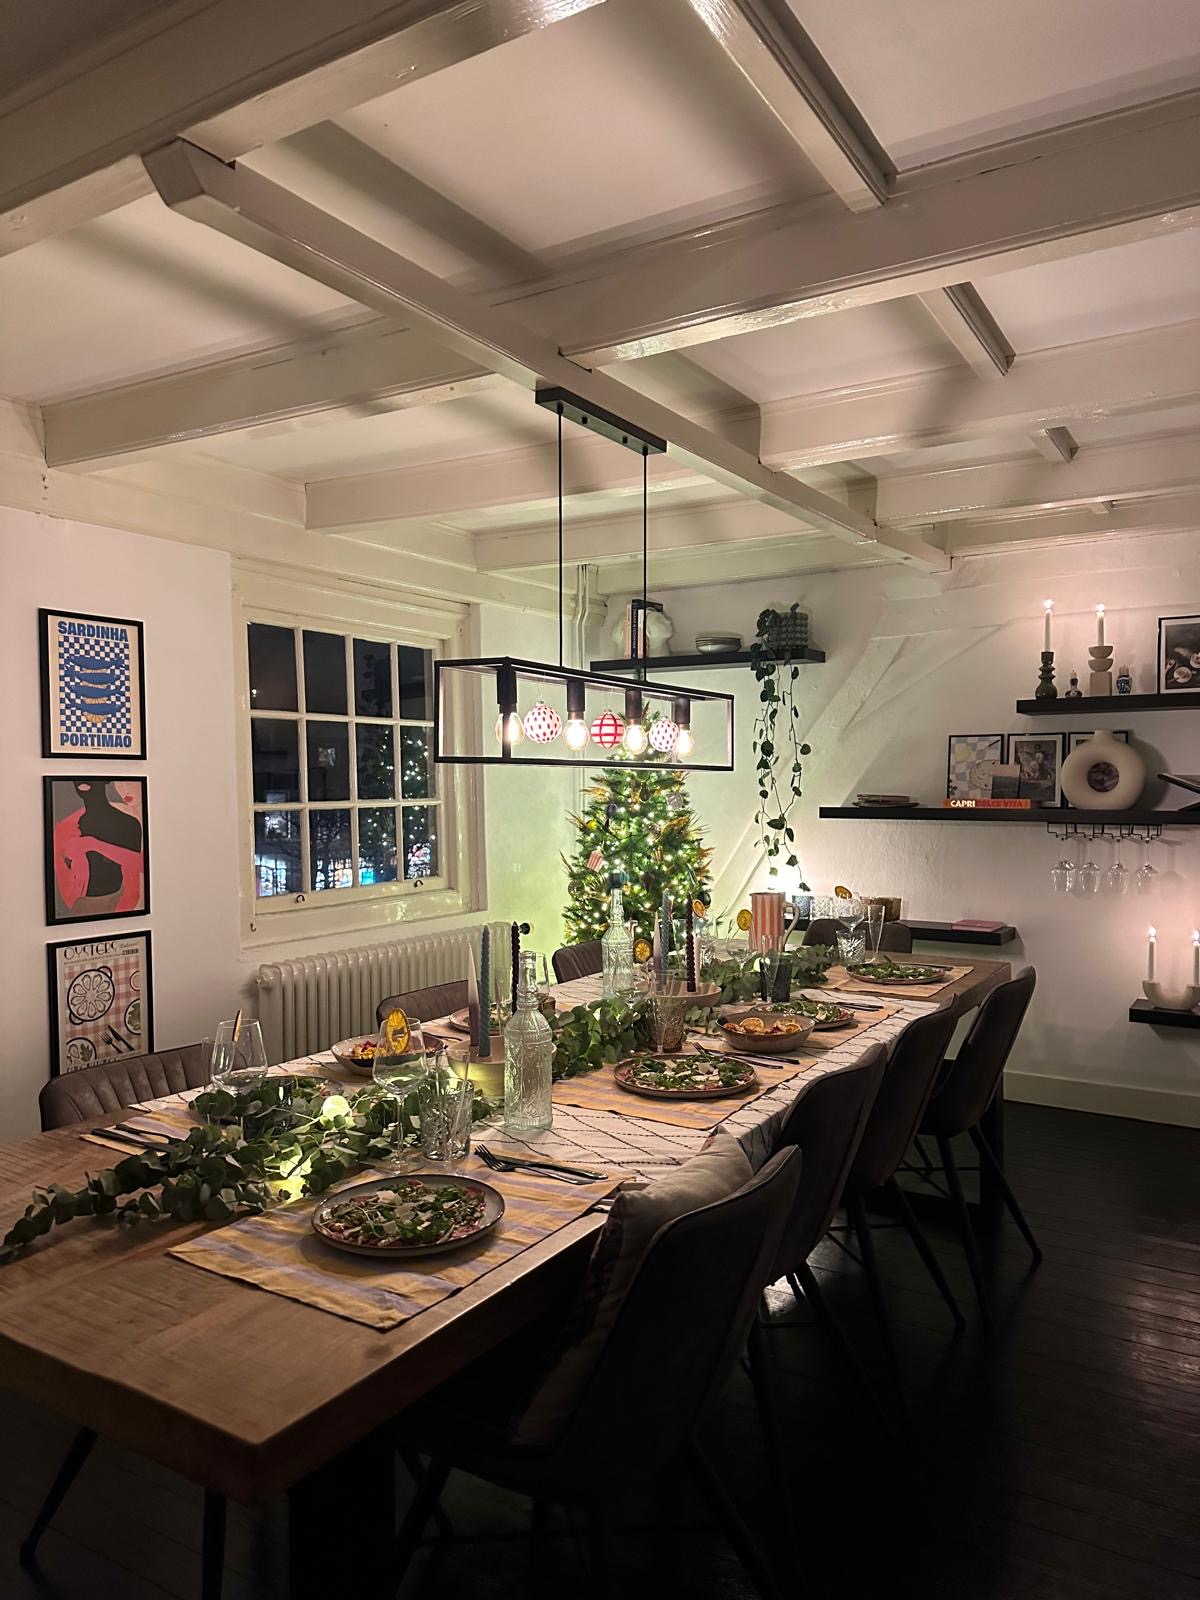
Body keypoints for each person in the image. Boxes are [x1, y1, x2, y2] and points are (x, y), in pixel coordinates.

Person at [53, 781, 143, 914]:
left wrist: (93, 844)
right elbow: (62, 875)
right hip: (81, 908)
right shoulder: (67, 827)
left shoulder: (129, 823)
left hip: (120, 904)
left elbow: (138, 866)